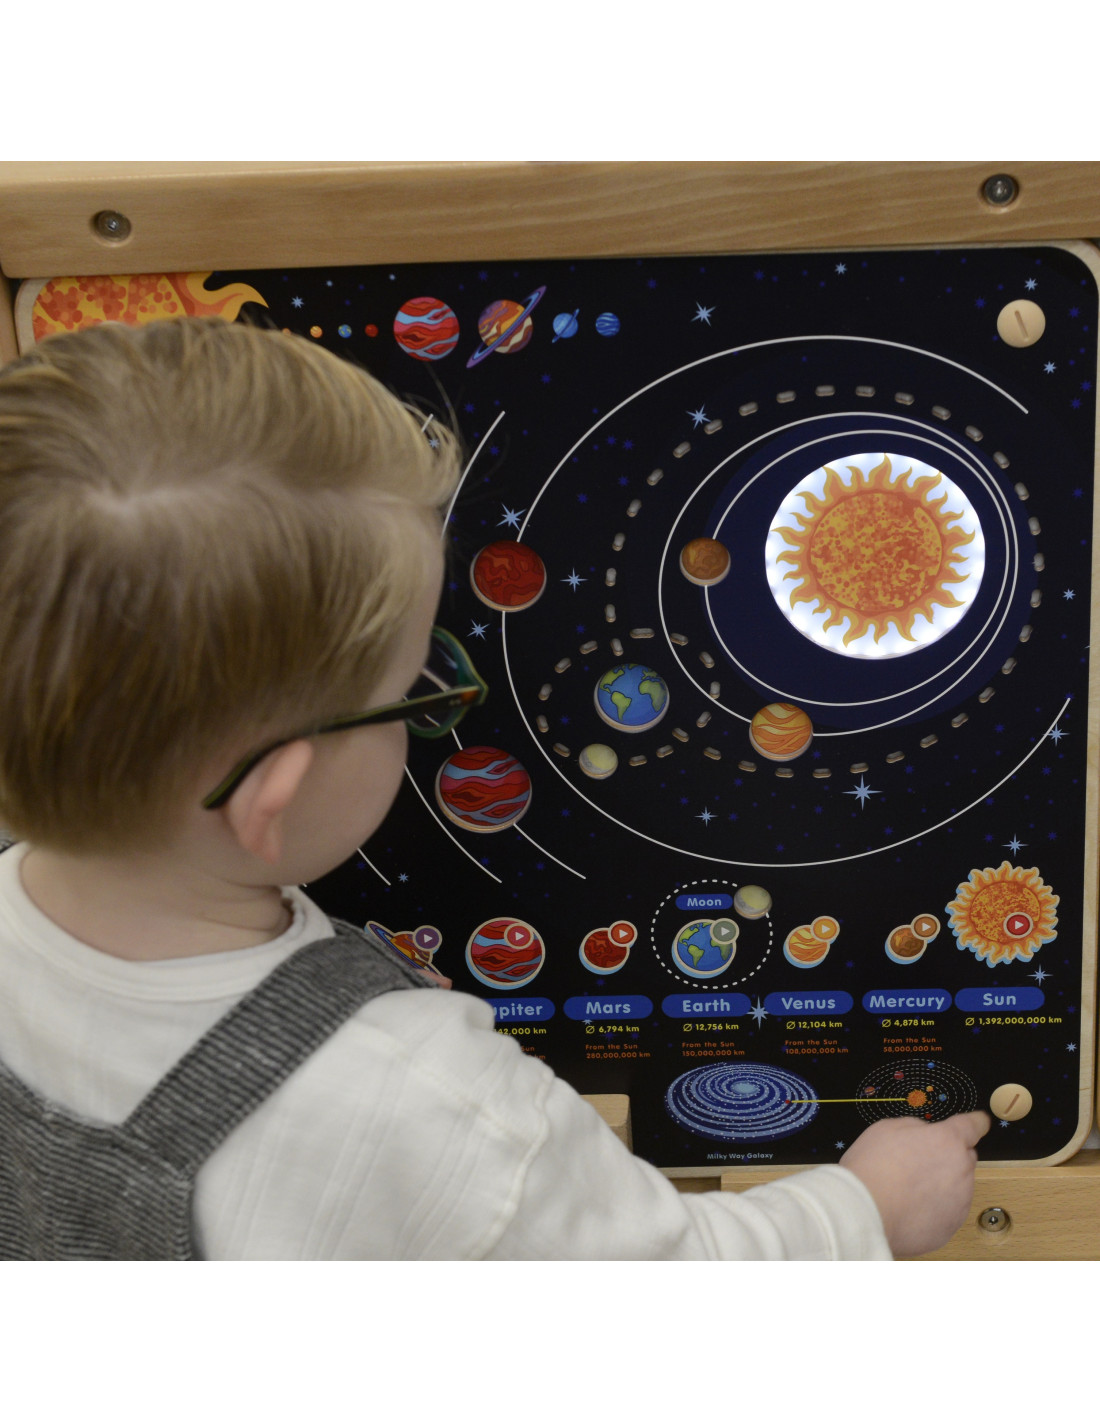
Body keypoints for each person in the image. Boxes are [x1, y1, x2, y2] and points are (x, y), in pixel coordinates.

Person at [0, 317, 988, 1259]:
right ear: (274, 798)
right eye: (410, 691)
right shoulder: (435, 1106)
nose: (426, 711)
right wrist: (861, 1212)